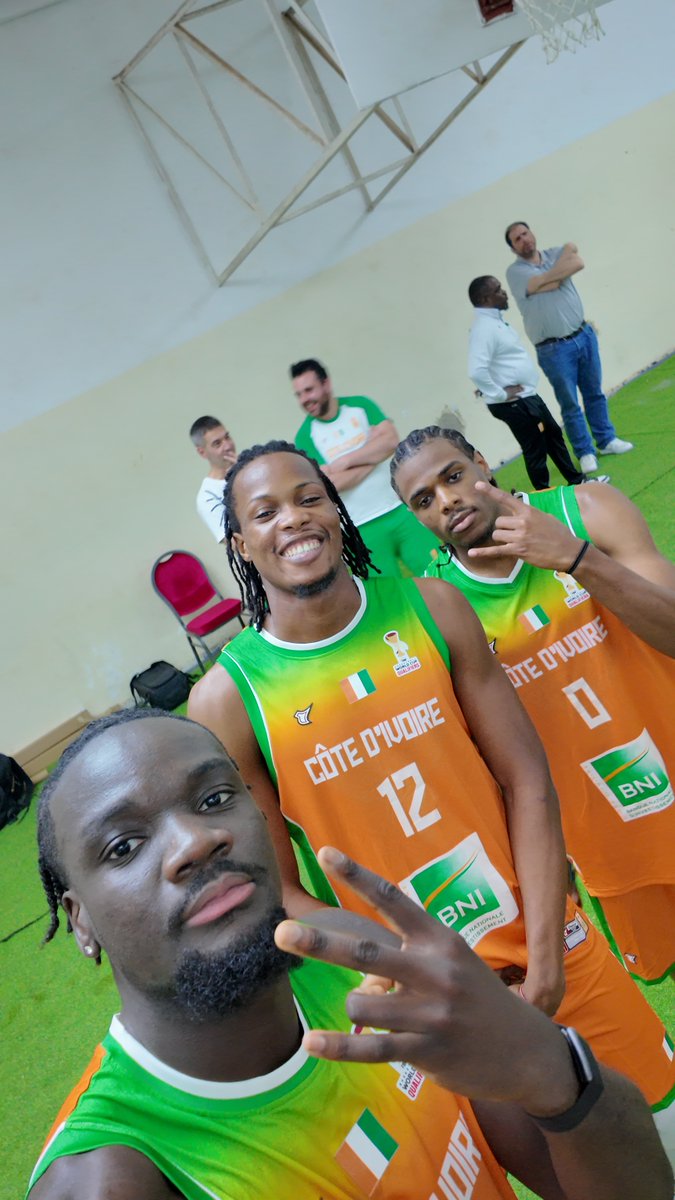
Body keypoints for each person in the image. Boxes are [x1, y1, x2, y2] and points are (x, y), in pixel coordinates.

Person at [187, 440, 675, 1148]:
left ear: (337, 509)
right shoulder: (227, 701)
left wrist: (543, 963)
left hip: (554, 947)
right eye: (265, 512)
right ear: (239, 543)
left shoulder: (433, 606)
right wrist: (422, 977)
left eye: (308, 497)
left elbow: (525, 779)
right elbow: (282, 896)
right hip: (427, 1006)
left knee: (659, 1128)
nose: (291, 519)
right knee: (557, 1174)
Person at [28, 708, 673, 1199]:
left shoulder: (355, 960)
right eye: (123, 846)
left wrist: (552, 1068)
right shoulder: (112, 1177)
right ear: (80, 921)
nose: (196, 840)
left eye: (215, 798)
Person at [390, 425, 675, 985]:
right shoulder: (438, 607)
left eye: (453, 477)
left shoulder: (586, 508)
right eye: (423, 500)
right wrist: (539, 854)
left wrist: (576, 558)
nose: (447, 500)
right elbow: (483, 752)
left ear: (480, 463)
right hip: (605, 831)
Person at [504, 222, 633, 475]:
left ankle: (606, 440)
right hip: (554, 349)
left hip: (583, 335)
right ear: (513, 248)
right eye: (517, 239)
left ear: (532, 233)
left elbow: (577, 261)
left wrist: (548, 277)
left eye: (525, 233)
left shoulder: (553, 253)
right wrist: (557, 275)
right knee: (570, 403)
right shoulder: (515, 272)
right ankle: (585, 451)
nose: (524, 240)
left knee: (594, 393)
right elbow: (548, 279)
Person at [291, 357, 437, 575]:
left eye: (309, 390)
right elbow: (330, 484)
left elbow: (390, 441)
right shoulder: (304, 437)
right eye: (299, 394)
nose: (304, 399)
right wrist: (372, 452)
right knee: (390, 599)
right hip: (361, 528)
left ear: (326, 384)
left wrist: (344, 462)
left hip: (401, 509)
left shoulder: (360, 405)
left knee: (439, 572)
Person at [467, 275, 596, 490]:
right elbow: (476, 370)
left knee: (553, 435)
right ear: (485, 298)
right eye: (498, 290)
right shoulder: (484, 328)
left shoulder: (494, 322)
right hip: (514, 403)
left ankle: (577, 481)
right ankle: (543, 496)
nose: (504, 293)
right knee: (535, 448)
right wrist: (500, 394)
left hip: (526, 396)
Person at [190, 416, 237, 543]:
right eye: (217, 444)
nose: (227, 446)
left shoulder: (252, 469)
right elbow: (234, 544)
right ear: (202, 452)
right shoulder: (207, 496)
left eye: (227, 437)